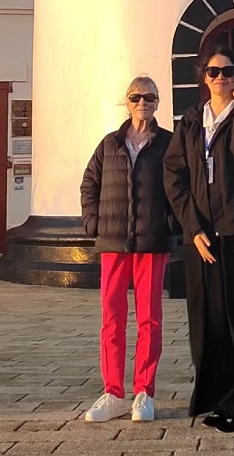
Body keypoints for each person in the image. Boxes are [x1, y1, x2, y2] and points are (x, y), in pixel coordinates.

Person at [163, 45, 234, 433]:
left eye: (228, 71)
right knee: (209, 318)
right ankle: (218, 398)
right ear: (203, 77)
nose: (220, 78)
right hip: (202, 235)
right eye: (213, 71)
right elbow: (173, 176)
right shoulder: (191, 121)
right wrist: (192, 229)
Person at [80, 75, 173, 423]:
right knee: (112, 318)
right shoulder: (110, 144)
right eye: (136, 97)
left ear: (157, 102)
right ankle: (114, 393)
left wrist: (170, 222)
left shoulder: (168, 143)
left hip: (152, 241)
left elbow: (181, 185)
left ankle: (144, 392)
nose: (142, 103)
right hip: (113, 241)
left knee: (150, 319)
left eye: (149, 97)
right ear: (127, 101)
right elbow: (89, 183)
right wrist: (93, 223)